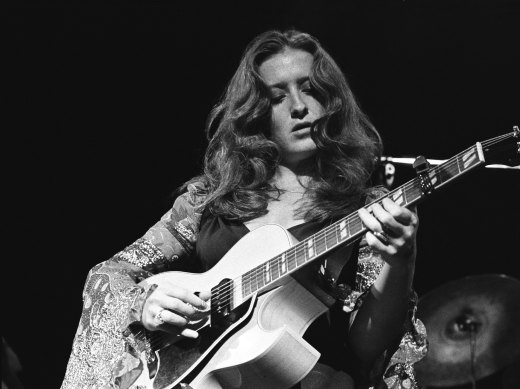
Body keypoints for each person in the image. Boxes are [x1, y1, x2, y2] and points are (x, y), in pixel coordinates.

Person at [60, 29, 427, 389]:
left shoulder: (366, 209)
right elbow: (111, 272)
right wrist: (144, 302)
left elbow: (367, 349)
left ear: (333, 99)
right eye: (277, 97)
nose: (299, 106)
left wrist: (402, 260)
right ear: (256, 113)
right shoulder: (208, 199)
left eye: (311, 89)